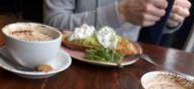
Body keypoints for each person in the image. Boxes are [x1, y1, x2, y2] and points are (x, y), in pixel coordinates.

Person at [43, 0, 191, 42]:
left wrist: (170, 18)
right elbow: (51, 25)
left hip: (126, 61)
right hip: (68, 59)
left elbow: (155, 24)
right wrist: (120, 13)